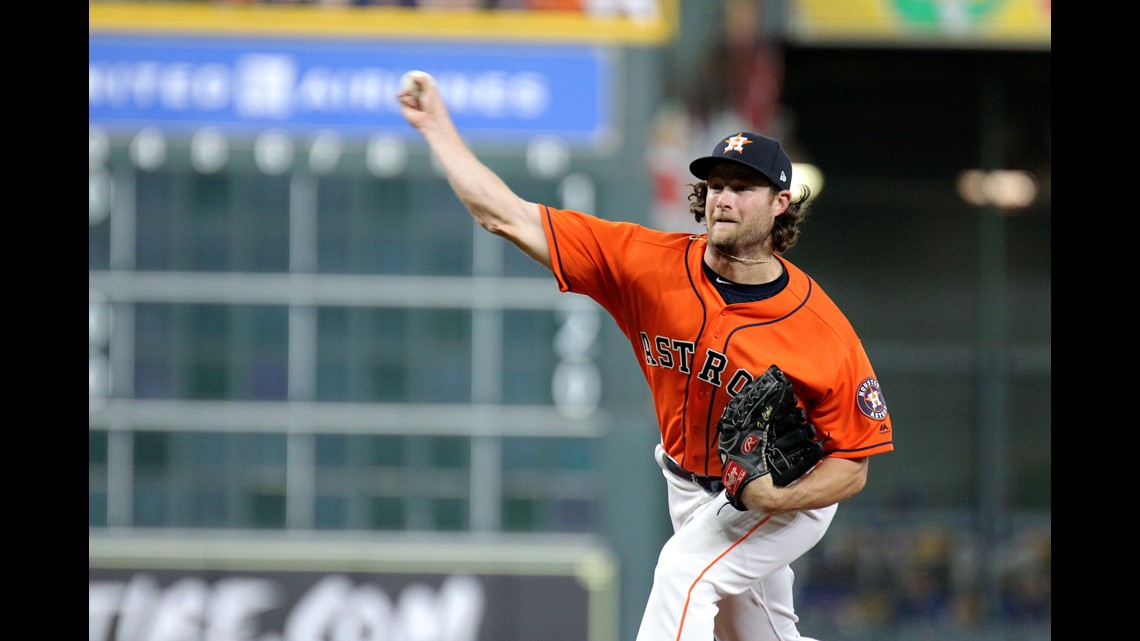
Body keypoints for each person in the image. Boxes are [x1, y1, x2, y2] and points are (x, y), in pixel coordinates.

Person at [397, 73, 894, 641]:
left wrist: (778, 497)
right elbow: (505, 215)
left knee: (683, 573)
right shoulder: (647, 265)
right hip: (690, 488)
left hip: (783, 492)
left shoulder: (819, 328)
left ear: (781, 204)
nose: (724, 198)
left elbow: (854, 464)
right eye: (717, 185)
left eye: (744, 187)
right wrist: (437, 128)